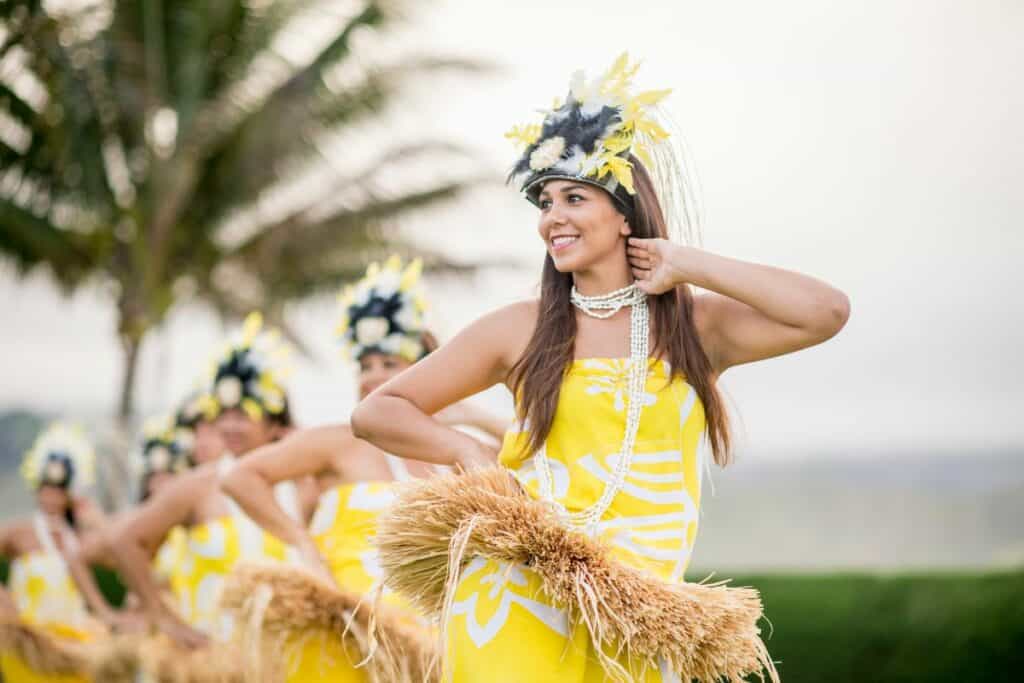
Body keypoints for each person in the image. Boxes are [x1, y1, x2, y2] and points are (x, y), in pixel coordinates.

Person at [351, 54, 850, 682]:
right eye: (544, 201)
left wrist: (686, 263)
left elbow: (826, 311)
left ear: (624, 212)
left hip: (642, 613)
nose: (551, 216)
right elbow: (377, 412)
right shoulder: (522, 326)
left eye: (573, 197)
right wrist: (472, 458)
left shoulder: (696, 328)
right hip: (518, 588)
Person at [220, 256, 506, 681]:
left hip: (431, 649)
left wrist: (469, 413)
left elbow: (534, 462)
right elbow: (240, 478)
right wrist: (303, 545)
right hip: (347, 640)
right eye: (364, 366)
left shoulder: (456, 454)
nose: (373, 378)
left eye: (389, 365)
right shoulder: (340, 441)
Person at [108, 313, 312, 652]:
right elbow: (126, 541)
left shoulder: (301, 485)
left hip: (290, 658)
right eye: (223, 415)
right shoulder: (198, 486)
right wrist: (165, 621)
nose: (229, 427)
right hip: (216, 660)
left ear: (275, 423)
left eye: (242, 415)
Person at [0, 423, 111, 682]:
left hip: (74, 646)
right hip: (28, 646)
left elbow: (119, 560)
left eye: (59, 490)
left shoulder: (81, 536)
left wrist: (98, 522)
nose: (51, 496)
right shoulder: (20, 532)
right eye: (46, 488)